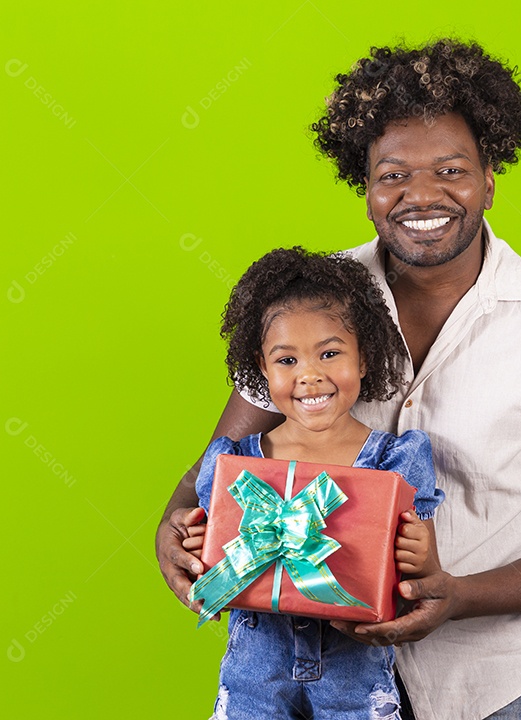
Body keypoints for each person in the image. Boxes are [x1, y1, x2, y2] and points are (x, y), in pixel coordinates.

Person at [158, 39, 521, 720]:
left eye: (451, 169)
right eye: (392, 175)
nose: (422, 196)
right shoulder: (303, 304)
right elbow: (219, 466)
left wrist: (458, 595)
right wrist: (171, 529)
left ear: (490, 177)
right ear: (365, 186)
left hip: (503, 679)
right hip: (314, 673)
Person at [183, 246, 445, 719]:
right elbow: (212, 579)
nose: (309, 375)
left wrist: (422, 558)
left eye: (329, 353)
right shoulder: (236, 464)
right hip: (252, 687)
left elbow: (421, 584)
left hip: (355, 689)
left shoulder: (394, 462)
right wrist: (200, 544)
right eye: (286, 361)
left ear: (364, 360)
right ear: (261, 371)